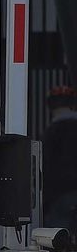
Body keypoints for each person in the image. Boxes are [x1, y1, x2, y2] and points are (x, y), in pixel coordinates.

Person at [43, 86, 77, 230]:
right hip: (67, 192)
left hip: (60, 194)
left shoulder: (52, 132)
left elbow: (45, 165)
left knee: (56, 235)